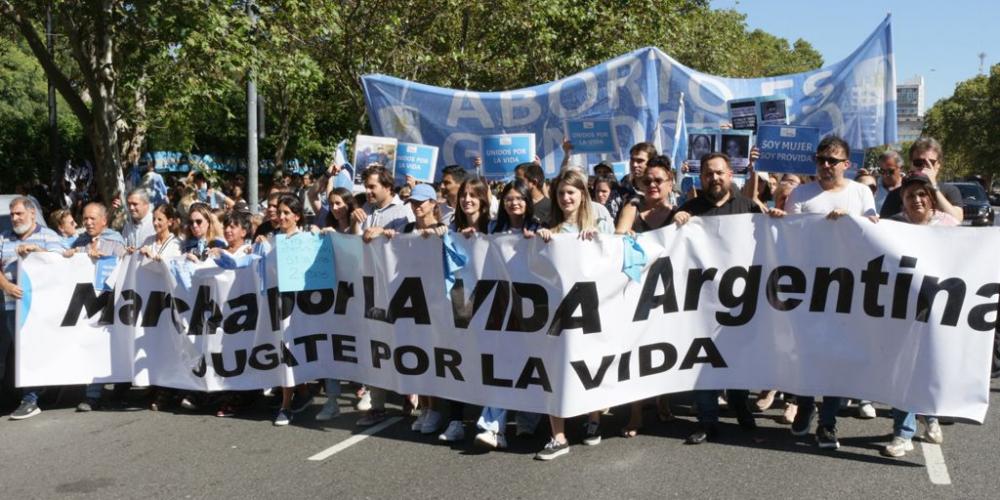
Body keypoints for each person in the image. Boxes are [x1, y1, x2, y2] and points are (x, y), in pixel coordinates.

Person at [772, 135, 878, 450]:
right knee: (806, 354)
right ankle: (805, 405)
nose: (826, 165)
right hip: (807, 288)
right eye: (821, 160)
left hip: (846, 288)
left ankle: (828, 423)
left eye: (833, 160)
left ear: (847, 164)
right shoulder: (802, 194)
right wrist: (778, 221)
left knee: (837, 358)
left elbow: (874, 230)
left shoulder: (860, 193)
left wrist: (851, 221)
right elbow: (788, 235)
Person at [671, 153, 760, 444]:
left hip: (740, 300)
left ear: (730, 175)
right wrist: (676, 222)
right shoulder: (690, 209)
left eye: (720, 173)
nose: (715, 178)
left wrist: (775, 219)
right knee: (703, 362)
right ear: (701, 178)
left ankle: (740, 405)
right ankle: (707, 420)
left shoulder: (748, 207)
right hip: (702, 302)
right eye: (708, 174)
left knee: (739, 358)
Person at [533, 169, 613, 461]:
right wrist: (541, 240)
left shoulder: (599, 225)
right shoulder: (548, 228)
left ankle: (593, 420)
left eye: (571, 193)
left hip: (589, 311)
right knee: (554, 368)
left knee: (589, 364)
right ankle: (558, 436)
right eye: (561, 193)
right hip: (556, 314)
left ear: (582, 195)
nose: (566, 198)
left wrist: (600, 240)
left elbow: (613, 260)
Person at [878, 172, 955, 457]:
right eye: (911, 195)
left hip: (937, 310)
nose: (917, 200)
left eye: (922, 194)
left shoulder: (948, 225)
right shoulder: (893, 226)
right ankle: (903, 433)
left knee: (928, 367)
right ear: (903, 199)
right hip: (901, 310)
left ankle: (930, 416)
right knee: (904, 370)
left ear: (931, 197)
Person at [614, 156, 678, 437]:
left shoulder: (679, 212)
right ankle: (636, 412)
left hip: (667, 292)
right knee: (635, 351)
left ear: (670, 183)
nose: (653, 185)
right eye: (647, 180)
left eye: (658, 180)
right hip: (635, 291)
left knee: (665, 348)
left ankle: (663, 401)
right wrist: (623, 234)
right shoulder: (633, 207)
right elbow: (617, 237)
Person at [355, 165, 414, 427]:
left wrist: (387, 234)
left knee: (400, 343)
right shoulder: (365, 211)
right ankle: (377, 405)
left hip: (396, 289)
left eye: (372, 187)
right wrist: (356, 224)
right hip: (371, 288)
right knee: (375, 346)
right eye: (366, 187)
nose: (368, 191)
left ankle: (409, 393)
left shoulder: (402, 212)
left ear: (388, 187)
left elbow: (409, 245)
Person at [435, 178, 492, 442]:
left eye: (473, 195)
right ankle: (456, 421)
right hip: (459, 304)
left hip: (489, 304)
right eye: (464, 195)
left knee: (488, 362)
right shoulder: (452, 227)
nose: (467, 200)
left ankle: (490, 420)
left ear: (483, 199)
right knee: (457, 360)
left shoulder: (494, 226)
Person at [1, 197, 67, 420]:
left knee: (38, 349)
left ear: (32, 214)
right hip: (13, 305)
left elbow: (64, 261)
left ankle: (32, 397)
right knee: (23, 351)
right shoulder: (3, 237)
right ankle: (33, 394)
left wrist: (38, 251)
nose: (15, 218)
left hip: (43, 306)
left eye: (19, 213)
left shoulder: (48, 236)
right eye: (12, 214)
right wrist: (6, 285)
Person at [64, 202, 127, 412]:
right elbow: (60, 253)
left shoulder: (115, 241)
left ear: (104, 220)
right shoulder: (79, 241)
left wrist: (108, 258)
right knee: (90, 345)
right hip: (85, 305)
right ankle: (91, 394)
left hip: (108, 303)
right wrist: (72, 255)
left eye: (93, 218)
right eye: (85, 218)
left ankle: (116, 389)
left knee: (108, 347)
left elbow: (126, 263)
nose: (88, 222)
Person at [269, 194, 316, 426]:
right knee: (285, 351)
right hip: (276, 302)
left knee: (289, 351)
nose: (282, 216)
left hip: (299, 305)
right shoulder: (273, 239)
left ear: (297, 216)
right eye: (280, 212)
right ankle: (303, 392)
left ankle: (286, 406)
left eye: (287, 213)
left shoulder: (306, 239)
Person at [879, 137, 962, 222]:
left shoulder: (950, 191)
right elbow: (884, 225)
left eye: (931, 162)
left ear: (938, 165)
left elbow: (957, 220)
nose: (924, 167)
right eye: (918, 162)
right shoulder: (895, 195)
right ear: (911, 164)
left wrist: (934, 187)